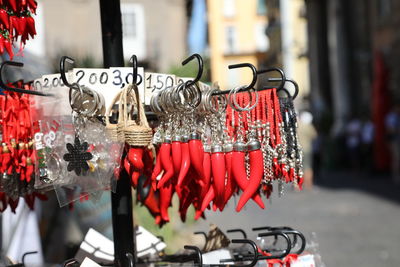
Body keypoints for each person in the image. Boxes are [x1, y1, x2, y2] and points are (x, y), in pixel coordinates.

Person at [385, 103, 400, 185]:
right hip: (394, 141)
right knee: (396, 159)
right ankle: (396, 176)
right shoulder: (391, 117)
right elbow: (390, 130)